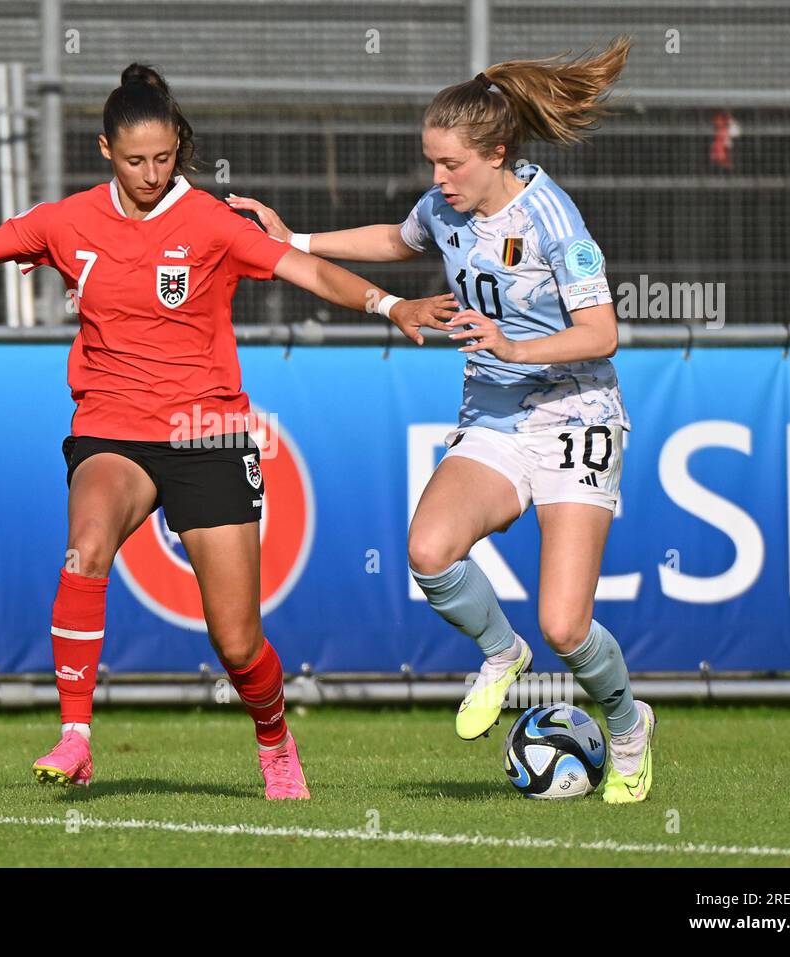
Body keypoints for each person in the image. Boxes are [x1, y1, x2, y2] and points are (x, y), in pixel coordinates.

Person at [0, 63, 457, 800]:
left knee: (236, 640)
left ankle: (275, 739)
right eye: (136, 160)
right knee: (86, 546)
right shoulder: (69, 221)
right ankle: (75, 736)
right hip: (112, 427)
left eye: (164, 158)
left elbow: (308, 271)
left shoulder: (211, 224)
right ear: (105, 151)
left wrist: (394, 308)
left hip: (207, 430)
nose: (153, 172)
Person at [227, 38, 656, 803]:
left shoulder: (552, 217)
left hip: (573, 411)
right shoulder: (443, 208)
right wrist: (290, 239)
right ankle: (501, 653)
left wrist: (514, 345)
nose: (437, 179)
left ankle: (627, 725)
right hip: (494, 417)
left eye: (450, 165)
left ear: (496, 153)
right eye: (431, 163)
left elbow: (603, 333)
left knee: (567, 625)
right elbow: (399, 239)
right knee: (429, 549)